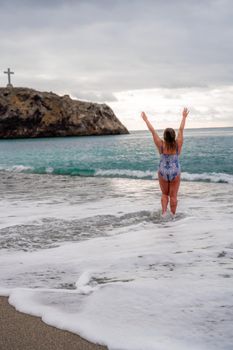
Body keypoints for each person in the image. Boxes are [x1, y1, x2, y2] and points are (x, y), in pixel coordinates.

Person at [141, 108, 189, 217]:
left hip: (162, 170)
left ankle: (163, 214)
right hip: (175, 171)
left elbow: (152, 131)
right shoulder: (178, 144)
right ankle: (172, 216)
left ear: (164, 136)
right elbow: (181, 130)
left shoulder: (161, 144)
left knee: (164, 194)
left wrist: (146, 120)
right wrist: (184, 117)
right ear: (174, 136)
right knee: (173, 196)